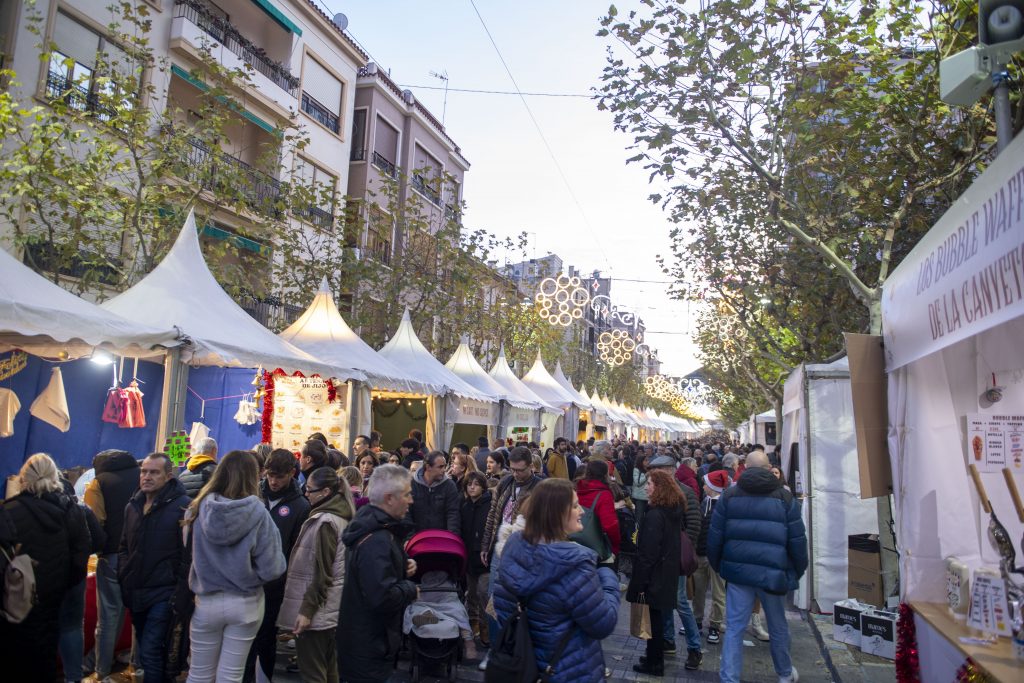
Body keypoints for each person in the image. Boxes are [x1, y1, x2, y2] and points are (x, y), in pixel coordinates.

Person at [494, 478, 621, 682]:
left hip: (523, 668)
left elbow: (505, 615)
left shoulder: (511, 557)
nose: (582, 511)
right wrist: (608, 576)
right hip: (571, 670)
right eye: (575, 505)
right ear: (556, 514)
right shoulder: (575, 567)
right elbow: (603, 624)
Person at [185, 451, 286, 683]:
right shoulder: (260, 514)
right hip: (245, 601)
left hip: (206, 599)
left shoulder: (197, 509)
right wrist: (251, 575)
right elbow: (273, 568)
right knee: (231, 676)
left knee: (198, 674)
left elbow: (186, 552)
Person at [707, 450, 807, 683]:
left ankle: (729, 677)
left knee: (734, 628)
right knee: (778, 625)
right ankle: (784, 673)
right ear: (768, 468)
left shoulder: (730, 496)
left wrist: (722, 566)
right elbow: (798, 541)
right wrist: (795, 571)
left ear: (744, 467)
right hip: (773, 574)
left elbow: (715, 537)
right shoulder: (784, 497)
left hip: (739, 574)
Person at [0, 454, 91, 682]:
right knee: (48, 653)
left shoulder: (8, 511)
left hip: (17, 603)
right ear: (55, 477)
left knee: (17, 656)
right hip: (54, 599)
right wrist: (67, 581)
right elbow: (86, 547)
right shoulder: (72, 509)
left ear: (23, 478)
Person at [336, 465, 419, 683]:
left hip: (367, 641)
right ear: (389, 498)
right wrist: (411, 589)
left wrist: (402, 565)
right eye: (407, 494)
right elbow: (381, 597)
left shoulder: (376, 528)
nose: (411, 501)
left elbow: (373, 576)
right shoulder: (377, 538)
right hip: (368, 644)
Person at [119, 453, 191, 683]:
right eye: (144, 471)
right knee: (149, 650)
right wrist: (124, 573)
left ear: (168, 476)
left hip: (164, 592)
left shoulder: (183, 507)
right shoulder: (133, 506)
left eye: (154, 472)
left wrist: (179, 592)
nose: (147, 476)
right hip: (136, 590)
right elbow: (123, 546)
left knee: (150, 650)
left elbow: (186, 555)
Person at [277, 468, 354, 683]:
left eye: (310, 490)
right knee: (329, 671)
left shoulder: (325, 522)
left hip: (318, 612)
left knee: (314, 672)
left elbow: (321, 572)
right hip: (330, 609)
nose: (305, 493)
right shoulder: (339, 517)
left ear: (326, 491)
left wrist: (306, 611)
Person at [244, 449, 311, 683]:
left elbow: (296, 550)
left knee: (265, 638)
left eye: (279, 477)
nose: (273, 481)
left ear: (292, 474)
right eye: (270, 475)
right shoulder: (253, 495)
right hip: (246, 580)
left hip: (274, 585)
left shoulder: (301, 506)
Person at [83, 449, 139, 681]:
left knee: (108, 617)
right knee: (138, 614)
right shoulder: (142, 474)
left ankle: (101, 671)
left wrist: (99, 550)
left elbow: (95, 523)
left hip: (113, 555)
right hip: (141, 555)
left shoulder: (98, 483)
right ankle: (135, 667)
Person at [627, 469, 691, 675]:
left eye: (650, 484)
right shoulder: (672, 510)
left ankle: (655, 663)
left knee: (653, 620)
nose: (646, 487)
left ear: (660, 488)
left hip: (655, 574)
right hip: (666, 572)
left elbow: (648, 552)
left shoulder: (655, 515)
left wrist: (639, 582)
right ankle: (654, 656)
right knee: (657, 618)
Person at [480, 447, 540, 570]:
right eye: (512, 469)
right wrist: (486, 545)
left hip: (524, 551)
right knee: (494, 587)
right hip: (500, 546)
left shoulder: (539, 488)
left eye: (520, 470)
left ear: (531, 466)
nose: (515, 473)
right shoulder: (506, 481)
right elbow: (493, 514)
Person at [694, 469, 730, 645]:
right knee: (698, 590)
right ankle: (697, 621)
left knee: (718, 593)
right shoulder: (705, 502)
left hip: (717, 557)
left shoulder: (725, 505)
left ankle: (715, 625)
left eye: (705, 484)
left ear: (712, 487)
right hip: (701, 553)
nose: (702, 486)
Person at [459, 471, 492, 649]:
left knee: (483, 594)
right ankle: (474, 624)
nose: (472, 487)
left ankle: (486, 627)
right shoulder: (464, 505)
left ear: (483, 487)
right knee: (471, 595)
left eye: (476, 484)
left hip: (484, 558)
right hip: (469, 557)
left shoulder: (489, 505)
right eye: (469, 484)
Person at [407, 450, 461, 535]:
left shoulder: (449, 485)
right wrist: (409, 538)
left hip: (441, 539)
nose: (444, 470)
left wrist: (452, 539)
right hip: (417, 540)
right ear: (428, 467)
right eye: (440, 467)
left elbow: (453, 514)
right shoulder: (411, 485)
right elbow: (406, 513)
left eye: (445, 466)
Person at [575, 459, 621, 558]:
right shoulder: (604, 494)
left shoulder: (577, 488)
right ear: (605, 474)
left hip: (576, 541)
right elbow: (610, 525)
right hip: (596, 546)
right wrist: (615, 546)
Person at [632, 453, 650, 528]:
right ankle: (635, 536)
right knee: (639, 518)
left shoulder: (649, 469)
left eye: (648, 460)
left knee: (648, 518)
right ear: (641, 461)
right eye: (645, 460)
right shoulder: (636, 470)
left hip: (648, 497)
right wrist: (646, 475)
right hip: (640, 498)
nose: (648, 462)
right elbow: (638, 482)